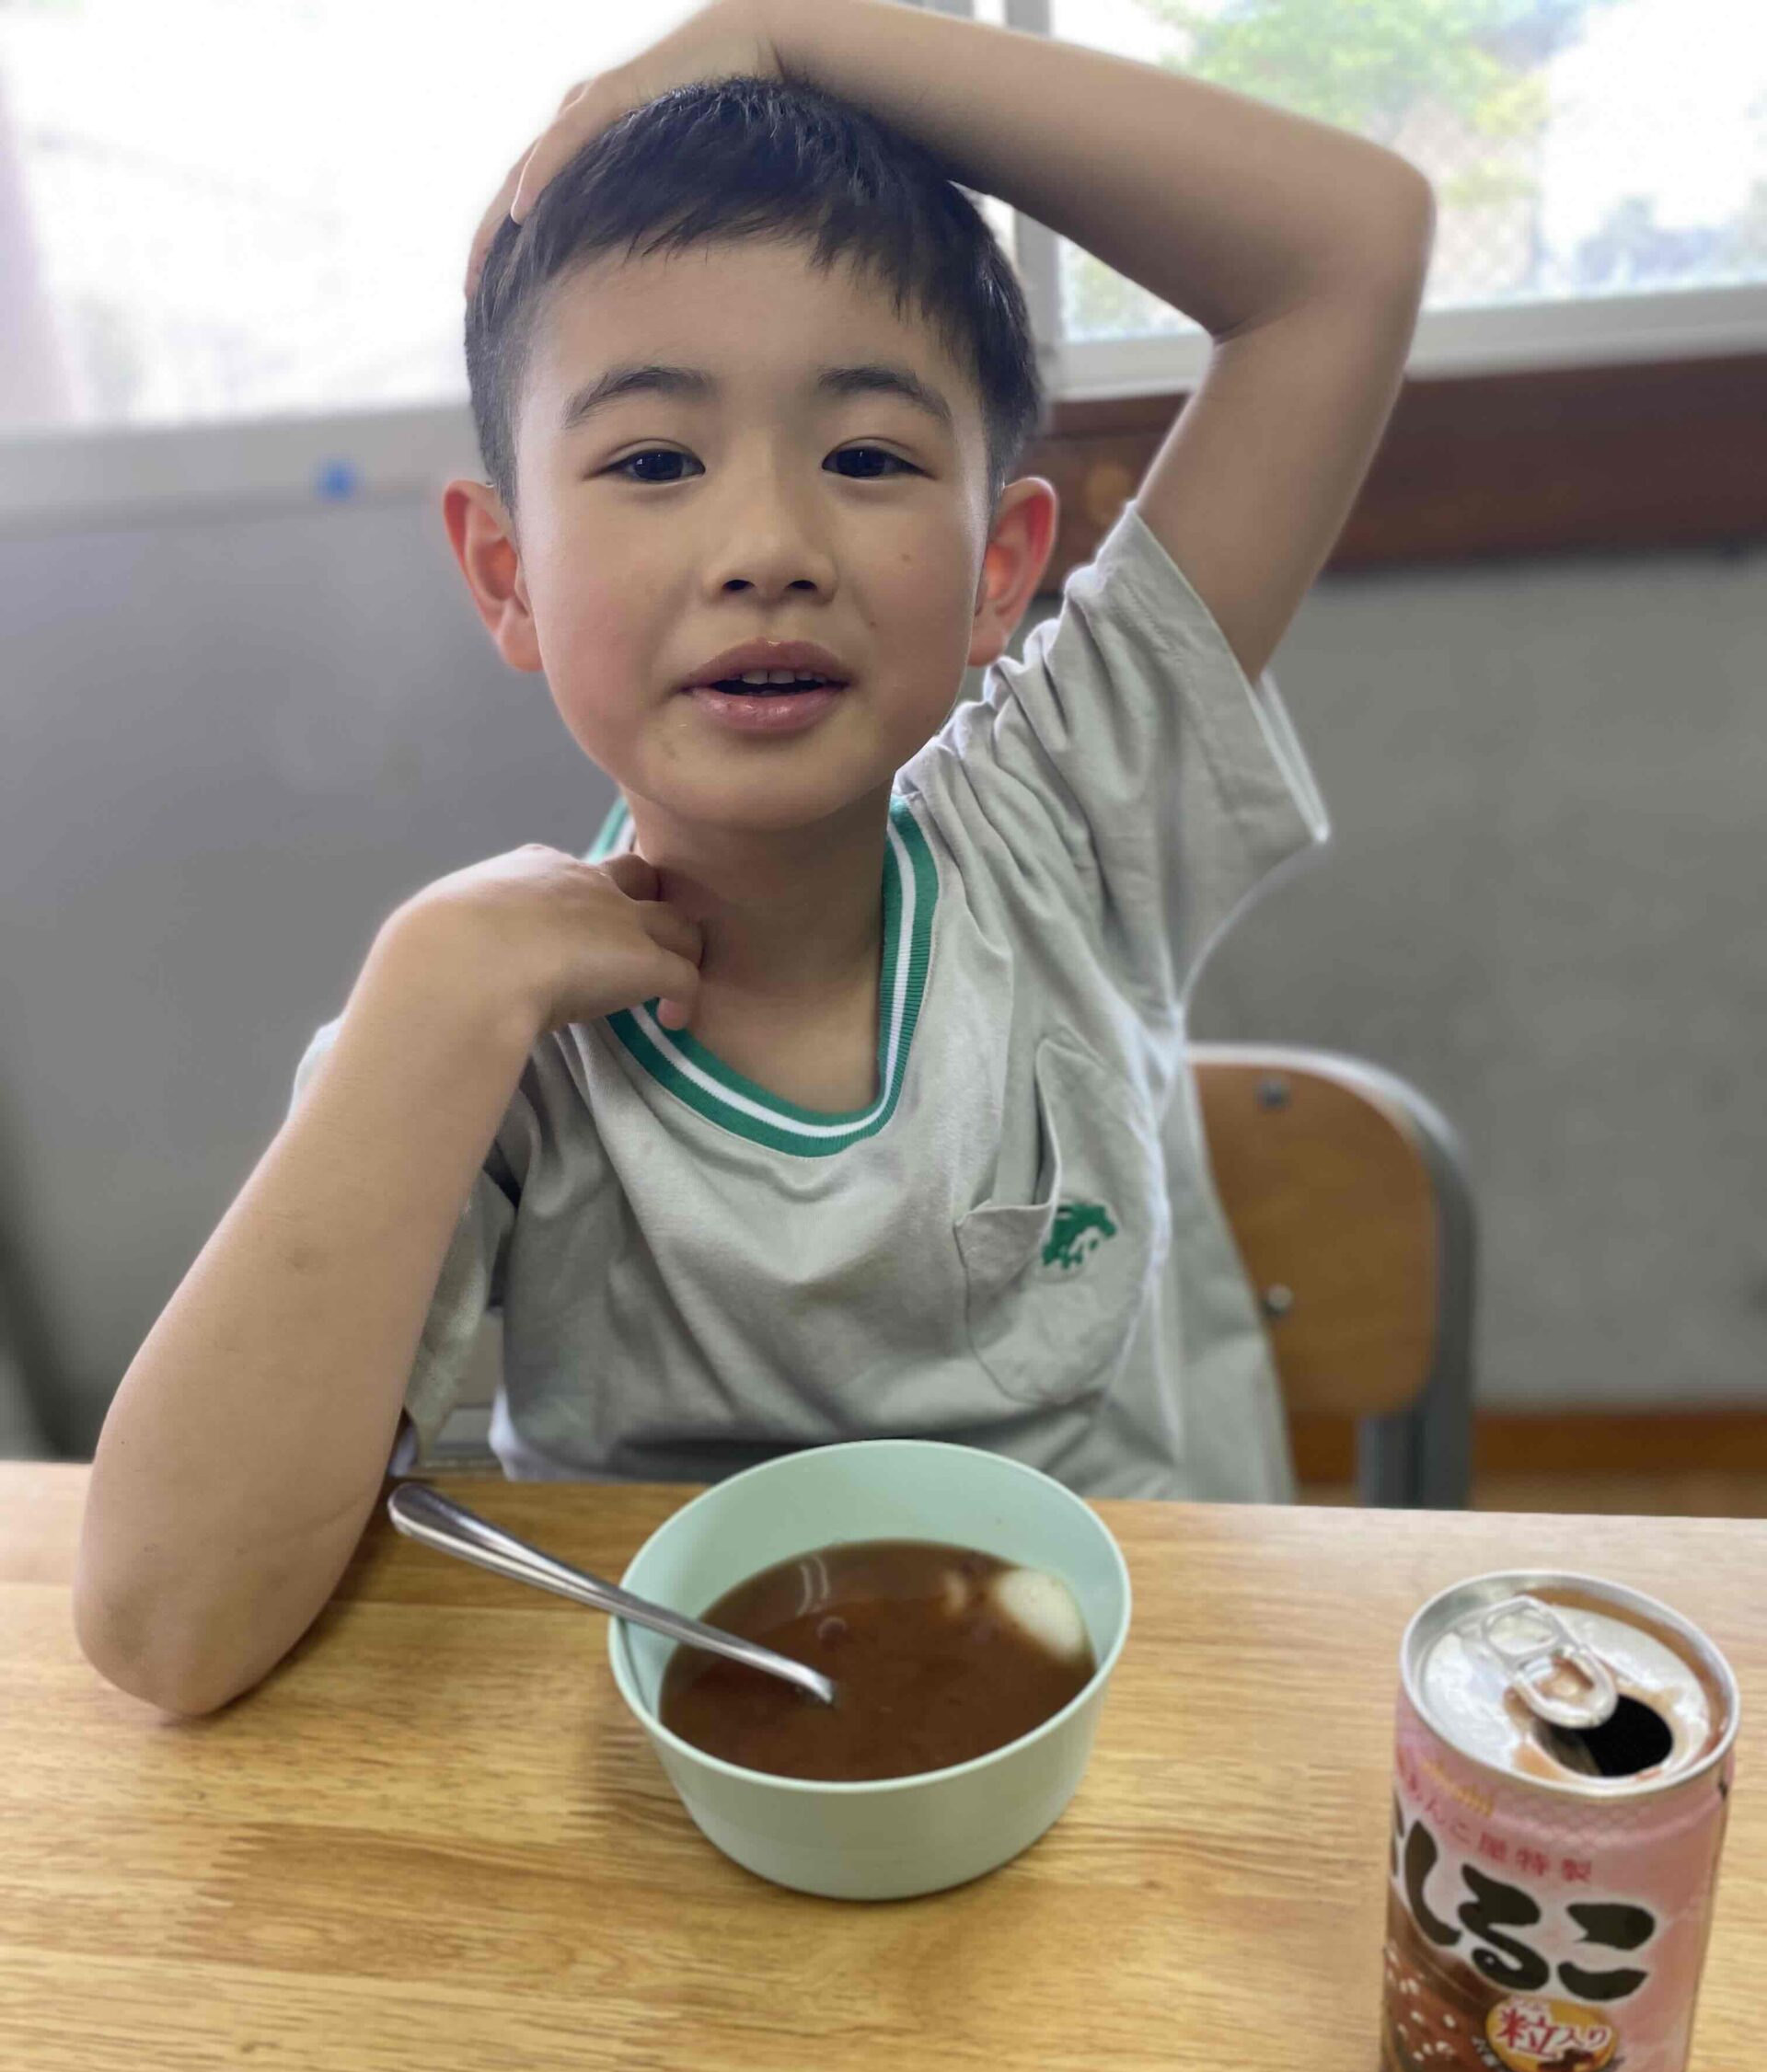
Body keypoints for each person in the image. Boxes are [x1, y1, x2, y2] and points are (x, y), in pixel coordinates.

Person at [75, 0, 1434, 1715]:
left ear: (1001, 566)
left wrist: (787, 29)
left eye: (867, 456)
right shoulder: (489, 1038)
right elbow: (166, 1631)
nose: (769, 546)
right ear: (505, 572)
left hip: (1138, 1728)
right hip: (672, 1779)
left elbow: (1348, 251)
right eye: (654, 459)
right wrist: (424, 998)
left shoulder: (1073, 813)